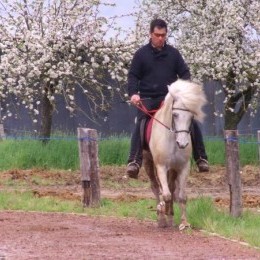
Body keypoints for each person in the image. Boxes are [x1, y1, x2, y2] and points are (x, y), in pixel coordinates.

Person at [126, 18, 209, 179]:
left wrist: (182, 90)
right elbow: (133, 76)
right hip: (149, 98)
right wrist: (133, 94)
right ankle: (134, 161)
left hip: (171, 98)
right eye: (157, 35)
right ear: (151, 34)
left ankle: (201, 158)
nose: (161, 38)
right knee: (141, 122)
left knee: (191, 119)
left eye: (163, 35)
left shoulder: (174, 53)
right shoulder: (141, 54)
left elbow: (185, 73)